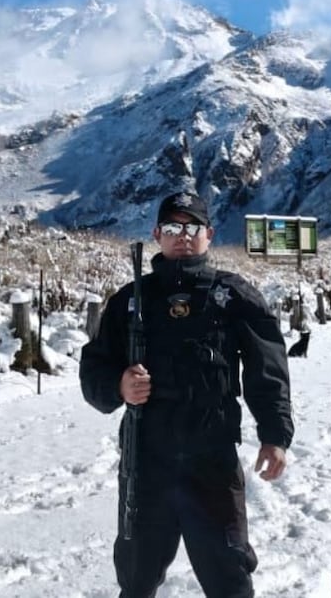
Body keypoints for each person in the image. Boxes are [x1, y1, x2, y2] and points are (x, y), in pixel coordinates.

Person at [80, 190, 294, 598]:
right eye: (173, 227)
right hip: (146, 463)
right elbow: (93, 370)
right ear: (157, 234)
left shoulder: (234, 296)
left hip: (212, 463)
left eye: (192, 228)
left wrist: (275, 435)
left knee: (230, 579)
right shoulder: (130, 301)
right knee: (136, 580)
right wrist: (119, 385)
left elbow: (267, 371)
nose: (183, 236)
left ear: (209, 234)